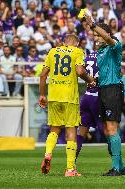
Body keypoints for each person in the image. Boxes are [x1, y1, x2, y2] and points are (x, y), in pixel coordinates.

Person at [84, 14, 125, 176]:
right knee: (107, 129)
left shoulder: (115, 46)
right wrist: (92, 80)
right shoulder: (100, 52)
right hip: (103, 89)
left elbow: (107, 37)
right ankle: (120, 167)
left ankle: (115, 168)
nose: (96, 38)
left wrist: (93, 25)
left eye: (98, 35)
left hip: (113, 90)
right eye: (94, 36)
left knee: (112, 128)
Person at [39, 34, 95, 177]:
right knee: (71, 132)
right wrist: (90, 80)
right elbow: (80, 71)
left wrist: (42, 95)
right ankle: (70, 169)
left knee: (54, 129)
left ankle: (48, 154)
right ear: (76, 44)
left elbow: (43, 74)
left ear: (64, 43)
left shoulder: (53, 51)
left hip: (54, 96)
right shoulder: (78, 52)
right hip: (69, 97)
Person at [75, 42, 101, 164]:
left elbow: (80, 71)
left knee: (81, 132)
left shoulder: (88, 56)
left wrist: (89, 80)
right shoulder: (105, 56)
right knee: (109, 130)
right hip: (98, 97)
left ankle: (71, 164)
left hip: (87, 96)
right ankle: (118, 165)